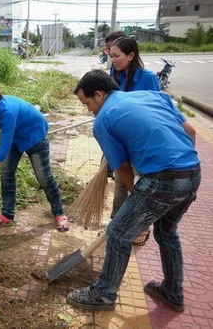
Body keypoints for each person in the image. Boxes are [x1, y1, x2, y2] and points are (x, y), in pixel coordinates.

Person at [67, 69, 200, 312]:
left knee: (118, 232)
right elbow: (190, 132)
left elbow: (124, 168)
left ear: (99, 94)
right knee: (167, 231)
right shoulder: (154, 96)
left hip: (163, 180)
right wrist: (182, 166)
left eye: (87, 104)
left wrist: (135, 194)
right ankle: (173, 291)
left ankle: (103, 294)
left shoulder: (104, 120)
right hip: (192, 172)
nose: (89, 110)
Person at [0, 86, 69, 232]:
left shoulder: (6, 111)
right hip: (14, 137)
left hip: (34, 135)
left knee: (43, 177)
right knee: (7, 173)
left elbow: (1, 153)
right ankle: (7, 214)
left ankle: (59, 213)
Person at [107, 37, 161, 246]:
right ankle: (115, 223)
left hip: (143, 142)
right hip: (121, 139)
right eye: (111, 56)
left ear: (131, 56)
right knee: (121, 181)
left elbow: (158, 111)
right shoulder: (115, 75)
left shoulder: (148, 79)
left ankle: (140, 225)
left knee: (139, 184)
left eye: (117, 56)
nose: (113, 60)